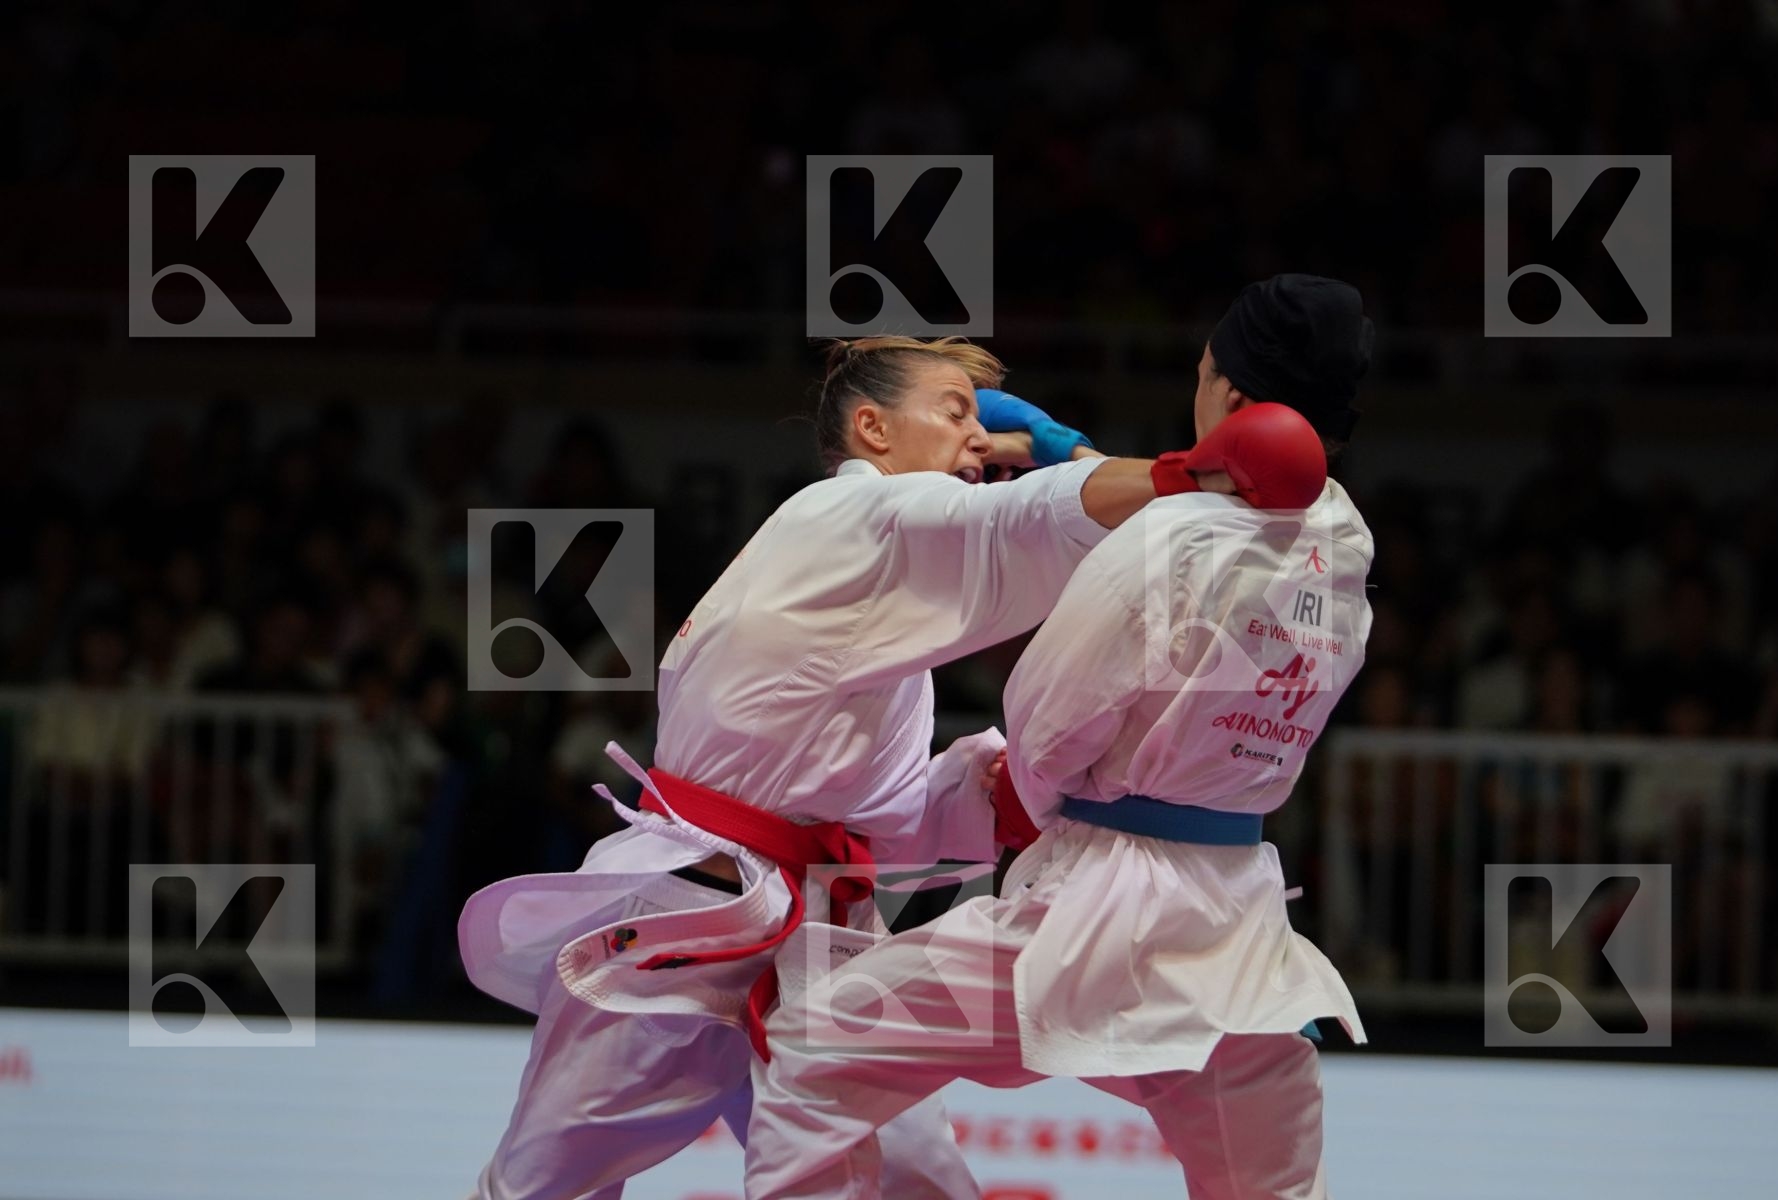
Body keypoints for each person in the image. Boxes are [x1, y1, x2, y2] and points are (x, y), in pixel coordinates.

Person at [457, 334, 1261, 1198]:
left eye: (977, 419)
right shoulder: (846, 518)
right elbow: (1029, 518)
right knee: (542, 1185)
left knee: (916, 1183)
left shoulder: (886, 604)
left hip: (817, 940)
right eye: (954, 414)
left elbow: (873, 817)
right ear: (873, 430)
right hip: (692, 914)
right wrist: (1175, 471)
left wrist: (985, 788)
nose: (979, 441)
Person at [744, 275, 1379, 1200]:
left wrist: (1019, 800)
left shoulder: (1162, 541)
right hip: (1236, 927)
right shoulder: (1347, 539)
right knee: (1269, 1185)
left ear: (1234, 399)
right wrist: (1072, 455)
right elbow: (1228, 522)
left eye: (1206, 375)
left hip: (1095, 916)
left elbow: (1047, 723)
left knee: (817, 1044)